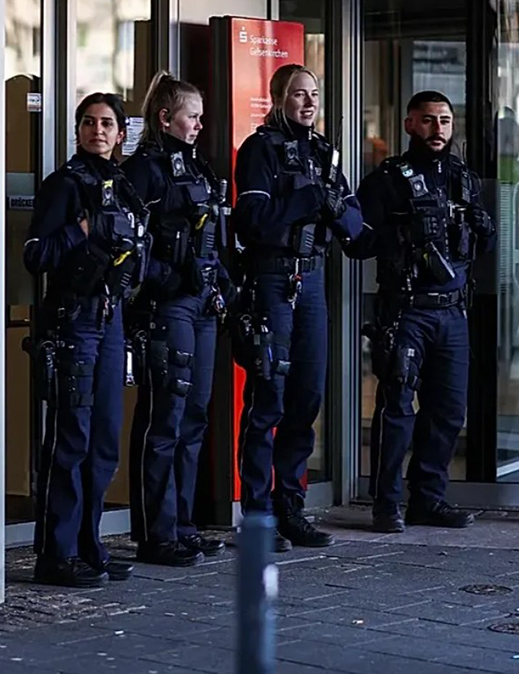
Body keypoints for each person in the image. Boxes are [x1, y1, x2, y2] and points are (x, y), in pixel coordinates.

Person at [232, 63, 363, 552]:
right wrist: (305, 199)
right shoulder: (260, 149)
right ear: (277, 99)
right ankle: (257, 517)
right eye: (298, 94)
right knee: (268, 397)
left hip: (312, 279)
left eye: (314, 94)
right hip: (272, 277)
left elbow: (356, 226)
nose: (309, 103)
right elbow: (252, 221)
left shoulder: (325, 153)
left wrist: (334, 208)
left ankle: (291, 507)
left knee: (306, 398)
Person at [352, 91, 495, 533]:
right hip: (407, 310)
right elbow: (358, 243)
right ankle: (386, 503)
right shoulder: (387, 180)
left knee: (448, 410)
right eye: (429, 120)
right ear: (410, 124)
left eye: (445, 121)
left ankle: (428, 499)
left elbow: (482, 245)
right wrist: (403, 233)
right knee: (397, 407)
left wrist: (481, 226)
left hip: (453, 312)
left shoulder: (463, 178)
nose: (438, 129)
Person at [24, 92, 149, 586]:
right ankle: (57, 553)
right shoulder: (64, 184)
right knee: (70, 439)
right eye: (89, 123)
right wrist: (81, 228)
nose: (98, 131)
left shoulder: (123, 185)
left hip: (110, 317)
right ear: (78, 131)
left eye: (107, 124)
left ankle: (88, 545)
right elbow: (36, 254)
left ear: (120, 133)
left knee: (104, 441)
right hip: (73, 320)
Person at [121, 72, 232, 567]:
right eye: (192, 116)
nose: (199, 125)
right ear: (166, 118)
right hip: (167, 305)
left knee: (194, 416)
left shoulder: (197, 166)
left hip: (202, 302)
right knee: (165, 416)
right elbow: (129, 241)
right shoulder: (143, 170)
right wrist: (164, 278)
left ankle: (183, 525)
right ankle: (156, 532)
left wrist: (222, 283)